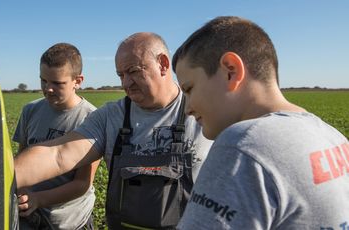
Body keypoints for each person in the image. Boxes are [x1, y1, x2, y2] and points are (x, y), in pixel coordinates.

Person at [15, 32, 213, 229]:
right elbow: (58, 155)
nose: (126, 83)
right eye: (121, 75)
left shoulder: (203, 109)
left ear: (162, 64)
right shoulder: (110, 116)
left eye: (134, 71)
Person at [172, 16, 349, 229]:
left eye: (189, 89)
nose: (188, 107)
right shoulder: (331, 136)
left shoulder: (243, 145)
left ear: (231, 70)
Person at [13, 43, 100, 230]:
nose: (48, 89)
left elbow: (81, 183)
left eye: (57, 83)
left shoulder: (92, 118)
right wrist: (22, 192)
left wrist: (39, 199)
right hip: (30, 214)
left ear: (78, 81)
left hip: (69, 220)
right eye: (43, 80)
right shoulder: (31, 110)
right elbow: (20, 160)